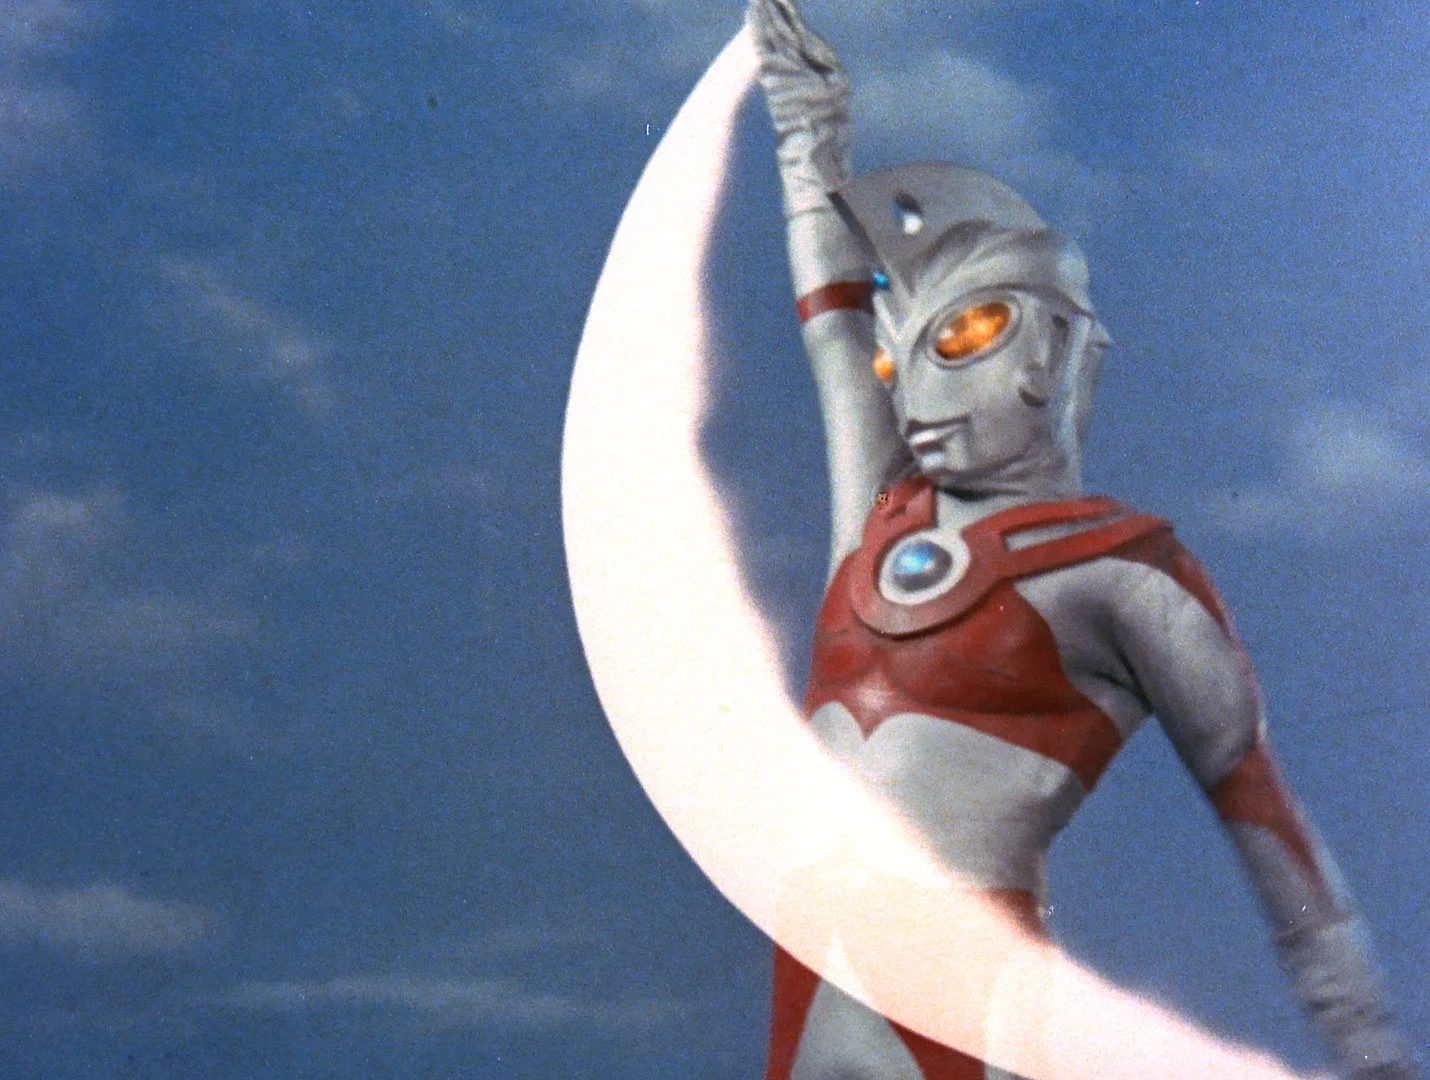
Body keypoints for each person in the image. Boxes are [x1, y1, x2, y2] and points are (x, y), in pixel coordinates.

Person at [746, 2, 1417, 1078]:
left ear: (1047, 353)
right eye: (897, 354)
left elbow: (1257, 809)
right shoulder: (880, 510)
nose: (910, 393)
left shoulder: (1123, 572)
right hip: (814, 963)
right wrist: (805, 131)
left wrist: (1366, 1044)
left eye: (956, 339)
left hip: (963, 978)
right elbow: (832, 328)